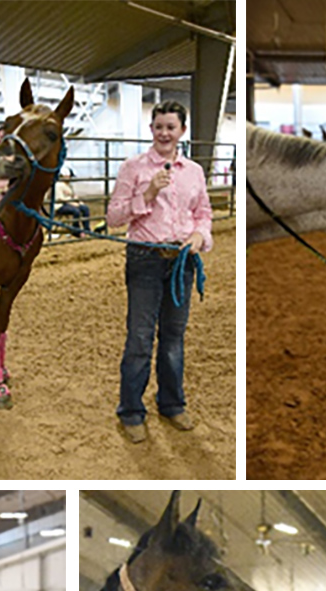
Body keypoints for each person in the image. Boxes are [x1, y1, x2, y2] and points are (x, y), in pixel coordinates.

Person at [106, 100, 213, 444]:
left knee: (172, 338)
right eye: (159, 126)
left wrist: (199, 235)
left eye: (171, 127)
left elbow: (203, 212)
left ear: (182, 130)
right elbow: (114, 217)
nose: (164, 133)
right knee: (139, 337)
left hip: (181, 261)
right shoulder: (133, 168)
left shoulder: (194, 172)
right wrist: (148, 193)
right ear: (150, 129)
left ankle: (171, 403)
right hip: (145, 258)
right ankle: (131, 411)